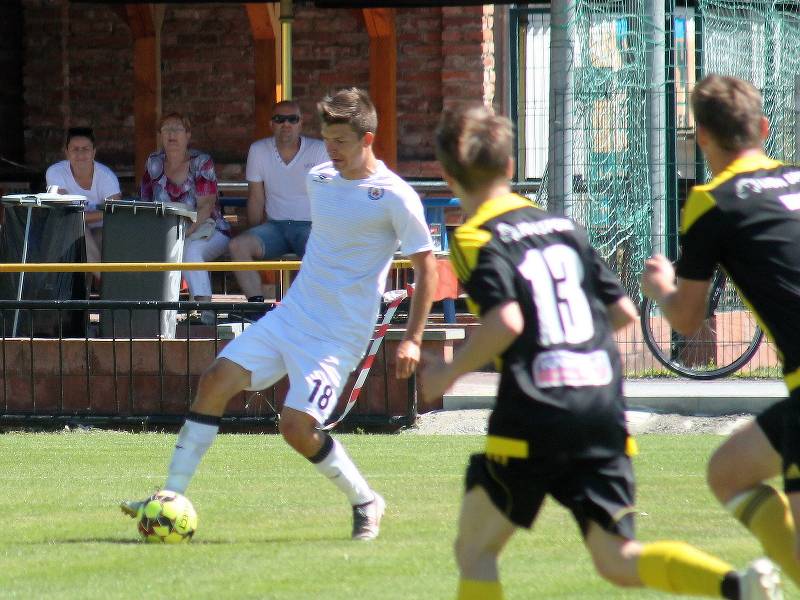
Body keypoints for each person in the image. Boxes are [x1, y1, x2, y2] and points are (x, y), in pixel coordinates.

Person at [422, 103, 781, 600]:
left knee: (475, 552)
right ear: (509, 167)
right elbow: (623, 315)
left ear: (447, 174)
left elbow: (506, 320)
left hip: (537, 404)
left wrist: (447, 374)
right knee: (617, 559)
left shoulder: (476, 236)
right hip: (601, 404)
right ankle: (736, 586)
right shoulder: (563, 228)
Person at [121, 88, 438, 540]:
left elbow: (428, 269)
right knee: (215, 379)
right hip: (293, 316)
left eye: (342, 142)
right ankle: (169, 495)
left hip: (338, 336)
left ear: (368, 139)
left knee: (295, 427)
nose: (331, 151)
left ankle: (366, 500)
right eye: (327, 140)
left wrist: (412, 338)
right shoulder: (321, 179)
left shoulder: (395, 197)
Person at [642, 74, 800, 590]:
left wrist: (661, 287)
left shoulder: (713, 202)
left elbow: (688, 321)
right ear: (764, 127)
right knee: (729, 472)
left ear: (702, 138)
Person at [229, 100, 329, 302]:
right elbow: (256, 198)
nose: (286, 124)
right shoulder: (258, 150)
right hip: (275, 228)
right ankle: (256, 308)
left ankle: (309, 311)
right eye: (280, 119)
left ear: (301, 124)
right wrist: (254, 233)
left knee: (319, 251)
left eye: (292, 119)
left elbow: (327, 197)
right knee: (237, 246)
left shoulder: (319, 150)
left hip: (310, 227)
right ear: (271, 124)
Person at [140, 113, 230, 324]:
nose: (172, 134)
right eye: (166, 129)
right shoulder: (153, 163)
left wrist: (180, 234)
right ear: (160, 135)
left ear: (188, 135)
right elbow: (145, 202)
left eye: (178, 129)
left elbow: (206, 206)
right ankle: (153, 312)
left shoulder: (202, 162)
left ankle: (203, 308)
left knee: (190, 250)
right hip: (166, 232)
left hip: (209, 229)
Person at [46, 126, 122, 269]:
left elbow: (116, 212)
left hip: (102, 228)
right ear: (66, 153)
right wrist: (92, 216)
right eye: (75, 149)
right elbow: (65, 212)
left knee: (102, 240)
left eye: (85, 149)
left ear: (94, 152)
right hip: (67, 229)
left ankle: (102, 282)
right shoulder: (55, 172)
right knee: (78, 230)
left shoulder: (107, 177)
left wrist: (80, 217)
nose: (80, 154)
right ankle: (105, 281)